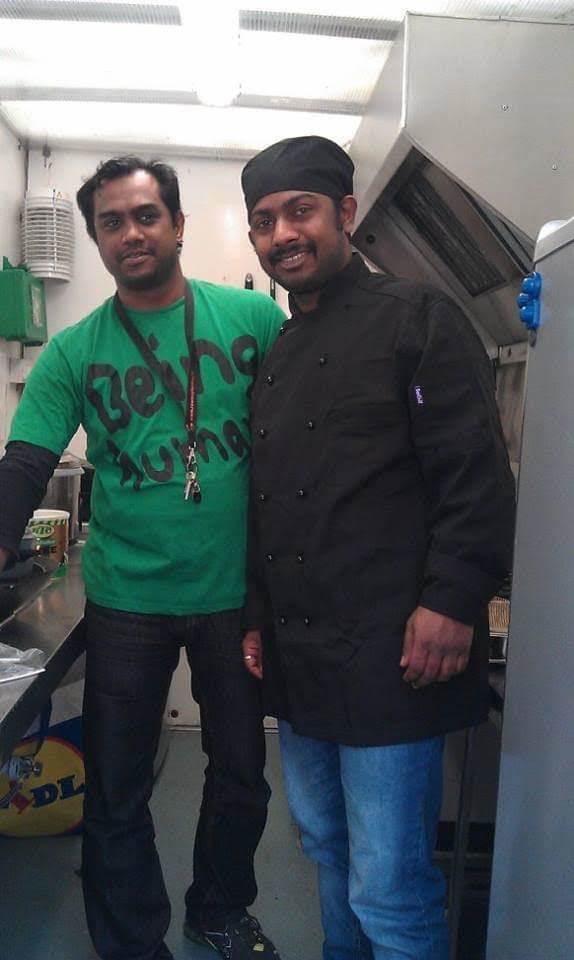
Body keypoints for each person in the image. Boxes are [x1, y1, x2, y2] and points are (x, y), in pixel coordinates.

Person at [0, 156, 285, 960]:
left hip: (235, 596)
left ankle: (218, 909)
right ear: (96, 239)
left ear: (178, 224)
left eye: (146, 215)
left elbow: (308, 433)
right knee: (117, 784)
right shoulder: (73, 351)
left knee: (241, 771)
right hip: (127, 599)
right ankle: (130, 942)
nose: (131, 233)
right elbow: (26, 462)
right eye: (112, 222)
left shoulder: (253, 322)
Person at [239, 136, 516, 960]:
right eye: (265, 221)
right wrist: (257, 613)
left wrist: (452, 601)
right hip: (302, 656)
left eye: (301, 211)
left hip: (395, 653)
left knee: (389, 888)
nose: (283, 234)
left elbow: (474, 472)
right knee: (327, 849)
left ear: (346, 214)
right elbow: (268, 505)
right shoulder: (277, 355)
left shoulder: (418, 318)